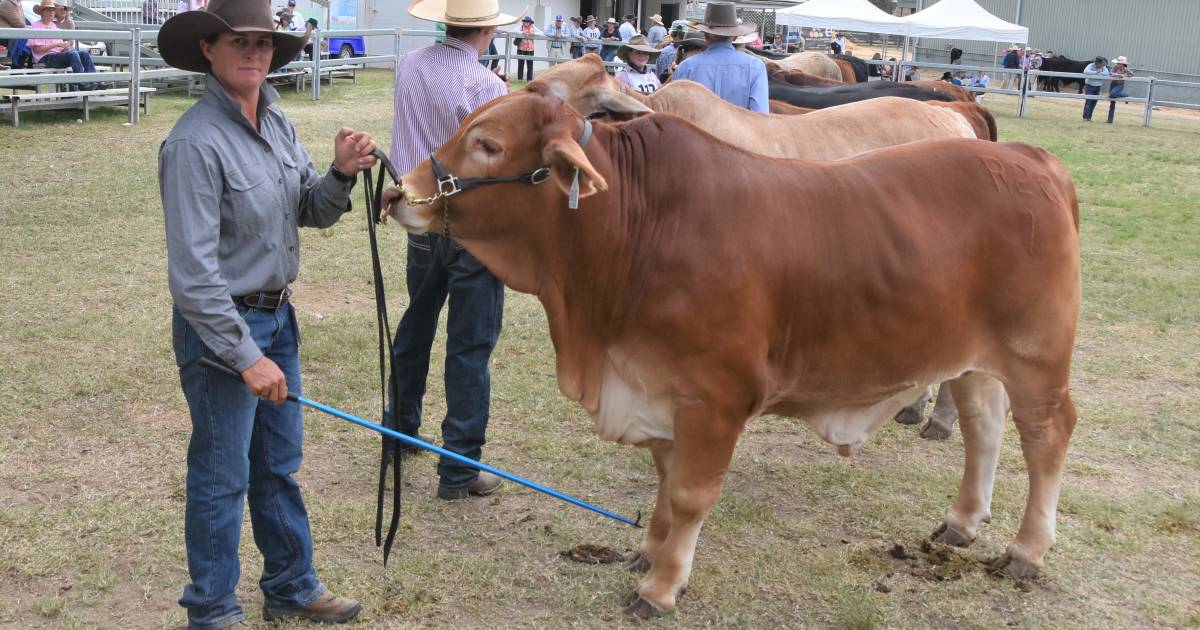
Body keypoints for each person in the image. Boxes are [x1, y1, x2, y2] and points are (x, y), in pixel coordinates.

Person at [156, 0, 376, 627]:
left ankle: (289, 584)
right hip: (225, 331)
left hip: (278, 318)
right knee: (222, 475)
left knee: (277, 465)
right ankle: (213, 610)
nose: (255, 53)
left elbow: (310, 208)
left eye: (264, 43)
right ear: (208, 48)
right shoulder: (194, 143)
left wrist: (338, 173)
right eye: (240, 42)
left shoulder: (276, 122)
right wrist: (244, 356)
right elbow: (194, 278)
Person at [385, 0, 515, 502]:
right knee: (469, 342)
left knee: (417, 322)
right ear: (485, 29)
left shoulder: (410, 64)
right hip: (470, 226)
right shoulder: (487, 87)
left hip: (420, 214)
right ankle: (459, 467)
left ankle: (399, 430)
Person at [672, 3, 766, 112]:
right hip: (738, 129)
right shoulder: (755, 67)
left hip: (696, 128)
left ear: (705, 36)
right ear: (735, 36)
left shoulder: (685, 67)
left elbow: (676, 114)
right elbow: (760, 116)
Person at [27, 0, 98, 90]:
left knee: (84, 54)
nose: (51, 13)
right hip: (44, 58)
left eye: (53, 10)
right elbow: (37, 50)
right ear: (42, 12)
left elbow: (59, 45)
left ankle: (94, 81)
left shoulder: (53, 26)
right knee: (73, 54)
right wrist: (56, 45)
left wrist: (64, 45)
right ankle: (82, 83)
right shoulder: (36, 26)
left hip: (56, 56)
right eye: (48, 10)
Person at [1082, 55, 1109, 121]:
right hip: (1089, 86)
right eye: (1098, 63)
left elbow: (1106, 73)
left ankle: (1089, 117)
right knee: (1088, 101)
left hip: (1098, 87)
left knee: (1094, 102)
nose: (1099, 64)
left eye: (1100, 63)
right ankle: (1085, 117)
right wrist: (1096, 72)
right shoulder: (1090, 65)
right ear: (1095, 62)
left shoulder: (1104, 67)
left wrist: (1097, 73)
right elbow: (1086, 71)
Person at [1106, 55, 1133, 123]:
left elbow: (1132, 74)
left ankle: (1125, 94)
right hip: (1113, 84)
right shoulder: (1115, 67)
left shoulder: (1126, 69)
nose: (1117, 64)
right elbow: (1110, 73)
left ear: (1122, 64)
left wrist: (1125, 75)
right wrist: (1118, 75)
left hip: (1119, 85)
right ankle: (1110, 120)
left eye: (1119, 63)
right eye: (1117, 62)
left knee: (1112, 94)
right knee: (1112, 99)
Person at [514, 15, 540, 80]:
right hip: (521, 49)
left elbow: (541, 33)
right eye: (525, 21)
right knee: (520, 64)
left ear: (530, 23)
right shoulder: (521, 27)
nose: (526, 23)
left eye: (527, 21)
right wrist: (522, 32)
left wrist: (533, 34)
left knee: (530, 65)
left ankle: (529, 79)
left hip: (530, 49)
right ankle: (520, 79)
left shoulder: (533, 27)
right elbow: (513, 30)